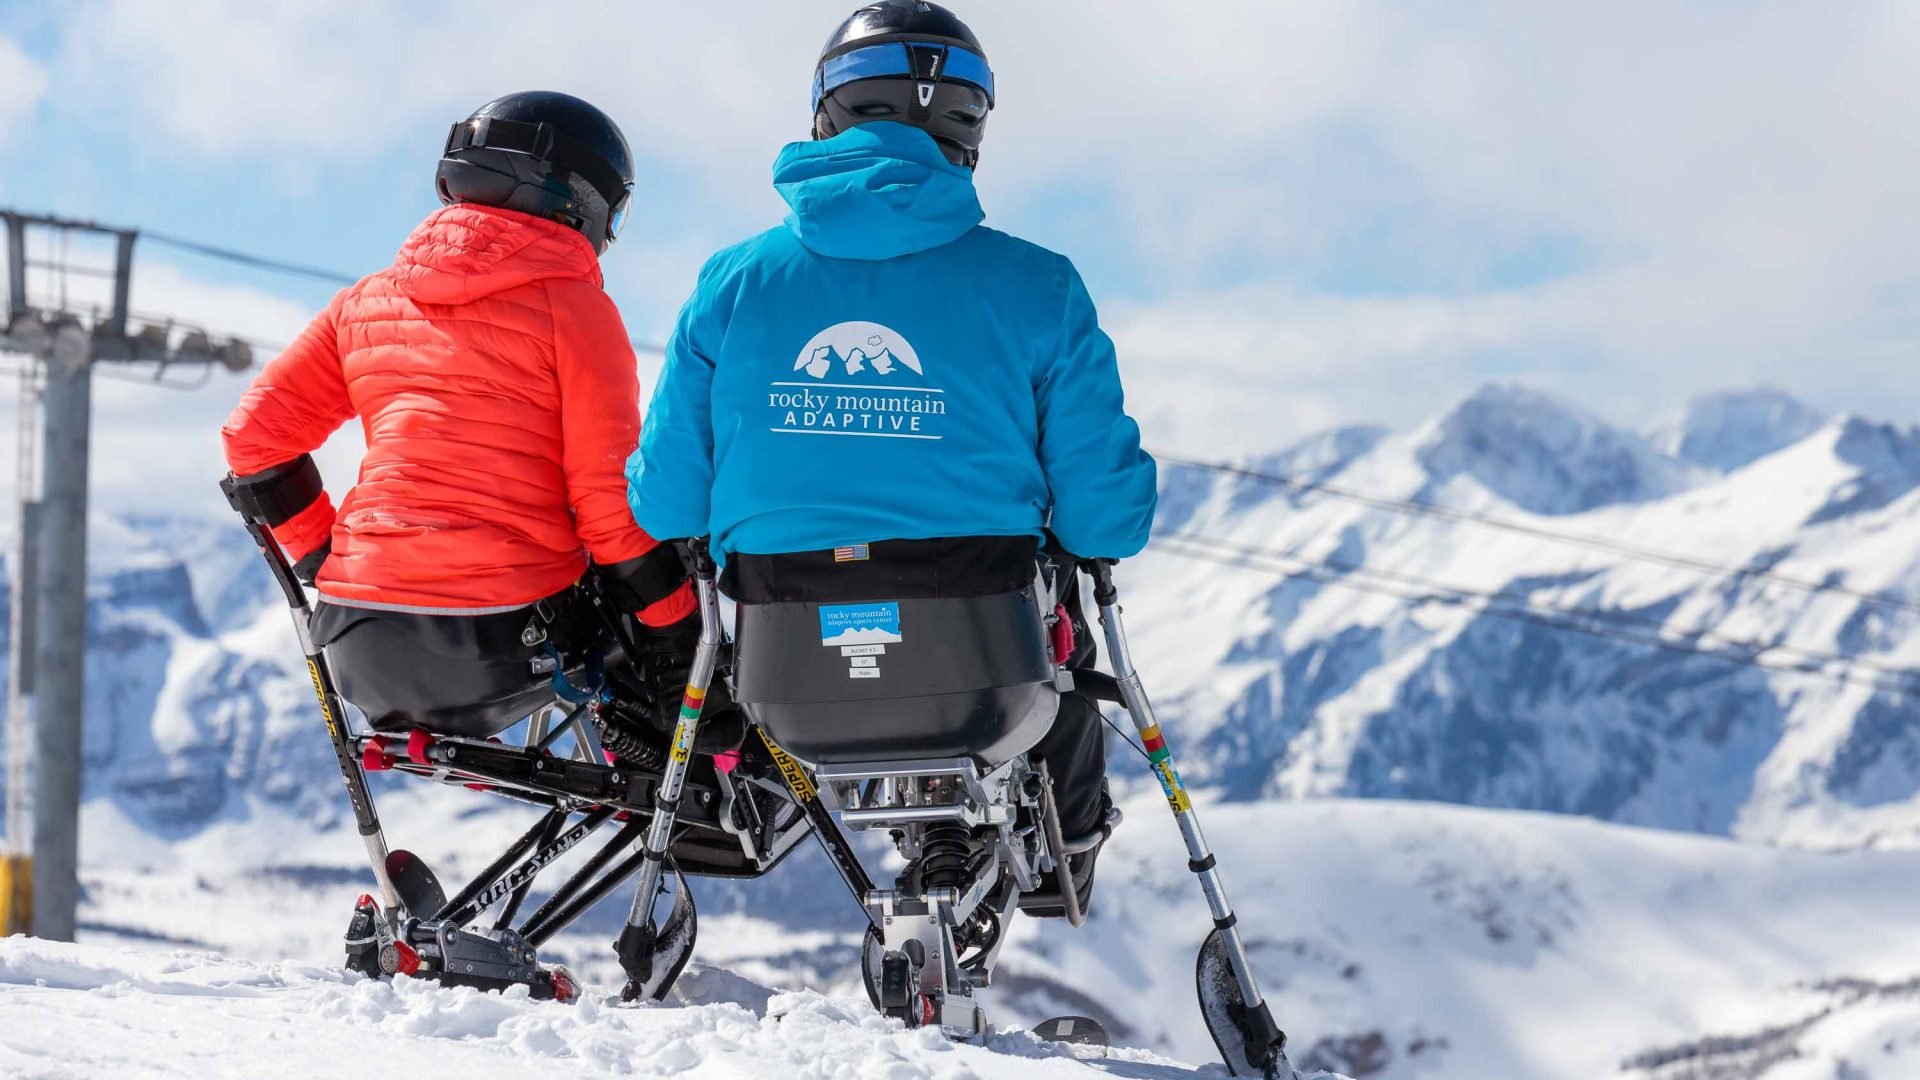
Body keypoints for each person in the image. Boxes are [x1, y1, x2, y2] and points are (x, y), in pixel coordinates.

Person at [626, 1, 1157, 906]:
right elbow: (1106, 516)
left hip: (787, 684)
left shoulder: (735, 280)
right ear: (970, 129)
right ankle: (1057, 850)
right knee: (1058, 633)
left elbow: (667, 503)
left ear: (828, 112)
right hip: (990, 670)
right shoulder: (1038, 284)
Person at [221, 90, 713, 750]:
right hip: (499, 642)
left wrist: (323, 558)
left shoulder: (364, 302)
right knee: (669, 567)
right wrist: (676, 640)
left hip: (356, 642)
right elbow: (607, 507)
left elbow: (255, 439)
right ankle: (695, 806)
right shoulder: (575, 310)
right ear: (582, 201)